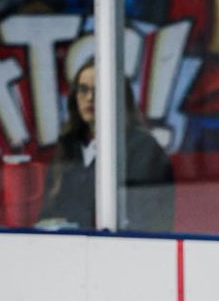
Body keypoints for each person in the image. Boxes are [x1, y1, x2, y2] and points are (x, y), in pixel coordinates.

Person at [36, 60, 174, 232]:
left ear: (119, 96)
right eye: (83, 89)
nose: (89, 98)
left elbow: (148, 220)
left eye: (99, 90)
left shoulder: (143, 148)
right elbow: (49, 213)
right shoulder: (68, 145)